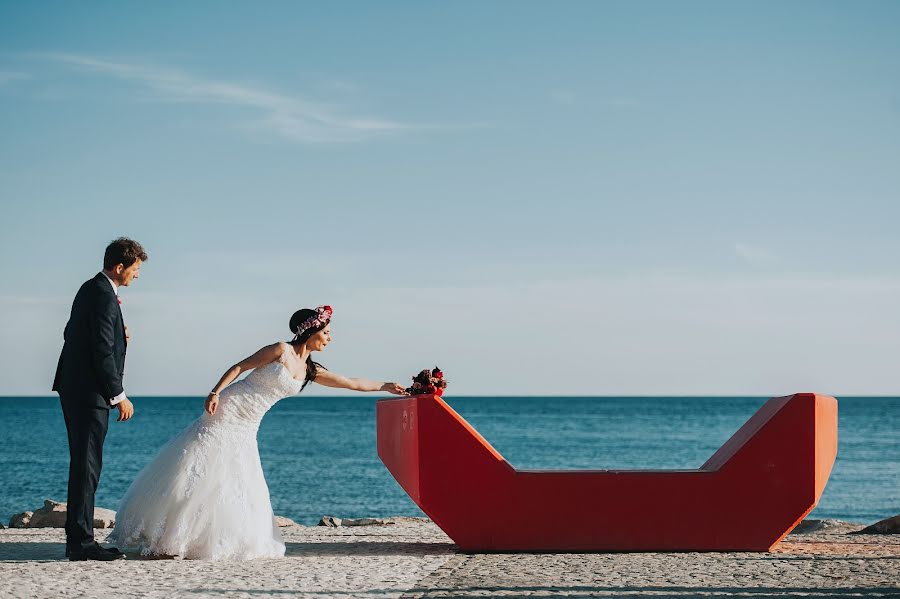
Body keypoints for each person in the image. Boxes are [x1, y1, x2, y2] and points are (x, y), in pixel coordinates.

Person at [107, 305, 406, 560]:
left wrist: (384, 385)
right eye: (326, 332)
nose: (329, 338)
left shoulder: (309, 370)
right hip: (229, 408)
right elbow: (240, 367)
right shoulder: (280, 350)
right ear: (311, 331)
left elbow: (349, 382)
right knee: (199, 465)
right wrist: (215, 392)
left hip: (249, 423)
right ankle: (165, 536)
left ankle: (194, 538)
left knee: (231, 476)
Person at [53, 237, 147, 561]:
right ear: (119, 267)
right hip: (88, 392)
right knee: (87, 465)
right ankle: (81, 543)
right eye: (135, 269)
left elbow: (74, 334)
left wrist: (122, 338)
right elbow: (100, 351)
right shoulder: (104, 295)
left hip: (76, 388)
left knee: (84, 464)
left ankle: (78, 540)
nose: (137, 275)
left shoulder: (90, 289)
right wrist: (119, 396)